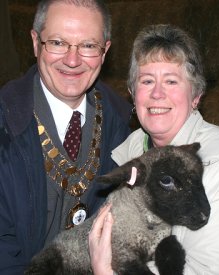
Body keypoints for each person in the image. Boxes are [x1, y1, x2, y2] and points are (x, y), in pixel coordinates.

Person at [0, 0, 132, 274]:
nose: (72, 61)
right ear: (36, 43)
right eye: (58, 42)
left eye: (88, 46)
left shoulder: (120, 124)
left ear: (105, 51)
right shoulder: (6, 126)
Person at [88, 24, 219, 274]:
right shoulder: (125, 153)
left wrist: (106, 270)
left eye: (171, 81)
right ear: (132, 93)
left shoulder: (217, 163)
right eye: (147, 80)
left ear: (196, 96)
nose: (157, 93)